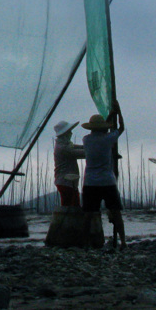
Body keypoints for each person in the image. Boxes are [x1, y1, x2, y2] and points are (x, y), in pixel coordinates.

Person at [81, 102, 126, 249]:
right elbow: (121, 128)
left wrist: (111, 115)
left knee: (88, 214)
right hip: (107, 181)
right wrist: (118, 113)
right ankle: (123, 242)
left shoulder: (86, 140)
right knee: (116, 212)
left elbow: (108, 129)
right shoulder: (108, 139)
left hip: (90, 182)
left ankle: (85, 243)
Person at [51, 120, 84, 207]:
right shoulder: (63, 148)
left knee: (73, 206)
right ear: (65, 133)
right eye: (69, 131)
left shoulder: (66, 144)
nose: (71, 133)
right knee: (69, 208)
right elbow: (83, 153)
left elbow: (80, 147)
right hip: (65, 182)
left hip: (68, 182)